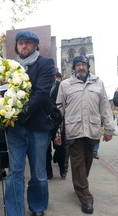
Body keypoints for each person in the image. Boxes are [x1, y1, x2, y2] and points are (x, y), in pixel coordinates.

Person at [4, 31, 56, 216]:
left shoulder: (45, 63)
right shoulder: (10, 67)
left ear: (35, 45)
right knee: (14, 172)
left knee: (39, 173)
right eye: (20, 43)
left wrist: (17, 114)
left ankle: (38, 206)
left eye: (27, 43)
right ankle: (14, 211)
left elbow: (41, 94)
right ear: (17, 46)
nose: (23, 46)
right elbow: (5, 93)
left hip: (38, 127)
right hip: (15, 129)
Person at [56, 55, 114, 214]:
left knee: (87, 162)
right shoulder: (65, 85)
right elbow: (59, 109)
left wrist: (109, 129)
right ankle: (85, 197)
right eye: (78, 65)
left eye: (83, 65)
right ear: (73, 68)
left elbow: (105, 107)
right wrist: (57, 131)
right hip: (74, 130)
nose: (81, 67)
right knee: (77, 162)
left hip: (93, 129)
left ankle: (80, 184)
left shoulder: (98, 83)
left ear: (88, 67)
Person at [46, 71, 69, 179]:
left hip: (58, 121)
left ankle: (62, 167)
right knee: (46, 149)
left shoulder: (61, 86)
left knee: (61, 147)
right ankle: (48, 171)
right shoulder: (42, 86)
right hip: (45, 121)